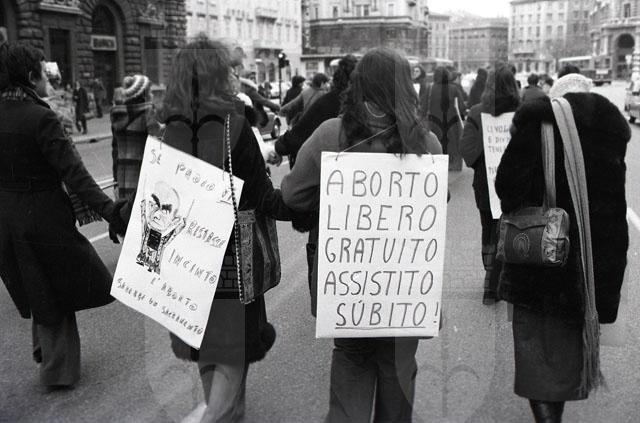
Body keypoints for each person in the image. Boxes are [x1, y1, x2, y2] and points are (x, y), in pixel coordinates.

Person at [280, 48, 442, 423]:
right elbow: (438, 201)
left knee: (352, 358)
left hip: (348, 283)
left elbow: (292, 195)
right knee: (397, 367)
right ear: (407, 87)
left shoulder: (329, 134)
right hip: (404, 287)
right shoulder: (426, 142)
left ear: (358, 84)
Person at [155, 36, 292, 422]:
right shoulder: (236, 126)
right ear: (217, 75)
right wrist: (304, 206)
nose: (236, 74)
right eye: (229, 69)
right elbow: (263, 197)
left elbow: (156, 200)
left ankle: (229, 414)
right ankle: (215, 416)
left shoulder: (169, 130)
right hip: (232, 262)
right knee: (233, 351)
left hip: (185, 260)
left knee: (208, 347)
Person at [495, 74, 630, 422]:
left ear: (555, 100)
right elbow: (614, 206)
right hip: (590, 266)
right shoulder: (612, 132)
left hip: (542, 264)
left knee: (539, 358)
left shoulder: (536, 125)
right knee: (567, 354)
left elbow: (508, 190)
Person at [0, 42, 125, 388]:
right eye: (44, 73)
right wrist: (111, 211)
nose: (49, 80)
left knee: (36, 283)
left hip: (7, 218)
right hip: (44, 219)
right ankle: (57, 371)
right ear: (31, 77)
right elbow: (75, 174)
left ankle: (44, 349)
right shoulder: (40, 117)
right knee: (56, 286)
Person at [268, 54, 357, 314]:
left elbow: (294, 192)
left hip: (332, 215)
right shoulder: (416, 135)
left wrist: (280, 148)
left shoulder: (330, 120)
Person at [459, 64, 520, 304]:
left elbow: (466, 150)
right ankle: (507, 279)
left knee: (489, 230)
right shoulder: (522, 113)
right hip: (516, 183)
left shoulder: (476, 113)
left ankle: (490, 281)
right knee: (514, 228)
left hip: (486, 184)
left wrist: (482, 157)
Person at [110, 74, 161, 201]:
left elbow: (115, 152)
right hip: (143, 178)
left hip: (123, 180)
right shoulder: (148, 113)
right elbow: (159, 143)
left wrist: (116, 181)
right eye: (150, 91)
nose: (152, 94)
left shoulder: (117, 115)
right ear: (144, 94)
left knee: (126, 210)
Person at [426, 66, 465, 170]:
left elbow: (425, 106)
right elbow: (461, 107)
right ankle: (451, 164)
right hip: (451, 123)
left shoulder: (431, 88)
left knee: (437, 143)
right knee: (451, 144)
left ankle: (437, 166)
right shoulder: (454, 88)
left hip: (434, 123)